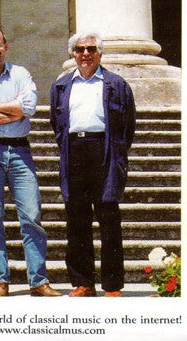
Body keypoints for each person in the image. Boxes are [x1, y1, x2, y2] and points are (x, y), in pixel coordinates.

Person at [0, 27, 60, 297]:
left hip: (19, 151)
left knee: (32, 216)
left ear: (5, 46)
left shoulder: (21, 74)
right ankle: (0, 281)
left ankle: (38, 281)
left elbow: (28, 107)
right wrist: (12, 109)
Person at [50, 32, 136, 297]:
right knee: (77, 219)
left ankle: (112, 285)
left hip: (104, 151)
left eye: (90, 49)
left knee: (108, 218)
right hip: (74, 151)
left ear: (100, 53)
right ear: (73, 53)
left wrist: (117, 153)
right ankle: (83, 282)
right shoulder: (62, 85)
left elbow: (128, 125)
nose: (85, 54)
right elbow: (56, 122)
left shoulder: (116, 84)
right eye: (79, 49)